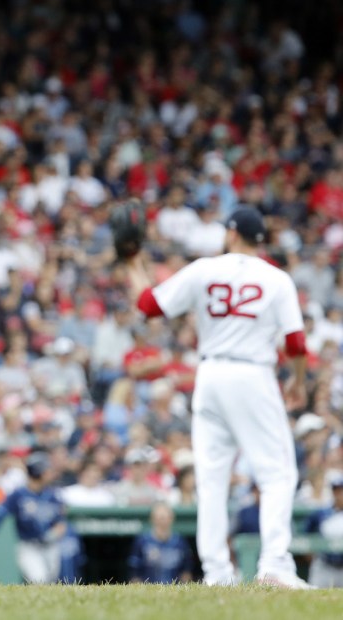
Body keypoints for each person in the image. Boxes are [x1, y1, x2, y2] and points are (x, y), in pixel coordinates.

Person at [125, 204, 311, 589]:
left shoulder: (204, 269)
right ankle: (275, 564)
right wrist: (297, 381)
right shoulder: (276, 278)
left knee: (211, 478)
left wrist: (131, 261)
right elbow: (295, 342)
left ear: (230, 234)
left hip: (209, 374)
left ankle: (216, 574)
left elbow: (148, 305)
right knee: (278, 473)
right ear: (261, 241)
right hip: (252, 373)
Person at [0, 452, 69, 584]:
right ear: (39, 472)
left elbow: (61, 523)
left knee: (51, 582)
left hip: (50, 545)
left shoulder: (53, 495)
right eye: (47, 470)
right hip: (28, 545)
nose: (50, 474)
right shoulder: (19, 494)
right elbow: (1, 513)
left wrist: (53, 534)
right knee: (39, 580)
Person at [127, 502, 194, 583]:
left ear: (172, 519)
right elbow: (134, 573)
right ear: (152, 519)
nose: (163, 521)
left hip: (174, 590)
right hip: (148, 589)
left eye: (166, 517)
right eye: (160, 518)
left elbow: (186, 572)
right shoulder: (142, 541)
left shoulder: (180, 542)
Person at [303, 474, 343, 588]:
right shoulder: (322, 513)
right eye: (337, 490)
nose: (339, 495)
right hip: (325, 565)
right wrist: (310, 555)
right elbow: (307, 533)